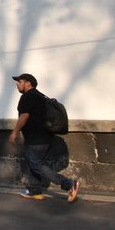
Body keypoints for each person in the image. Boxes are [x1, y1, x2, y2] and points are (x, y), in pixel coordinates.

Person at [9, 73, 80, 201]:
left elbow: (24, 116)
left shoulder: (27, 97)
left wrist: (14, 132)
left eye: (20, 82)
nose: (17, 85)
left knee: (36, 164)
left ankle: (69, 184)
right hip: (46, 137)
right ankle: (35, 190)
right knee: (33, 163)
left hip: (36, 138)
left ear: (28, 83)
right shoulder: (40, 96)